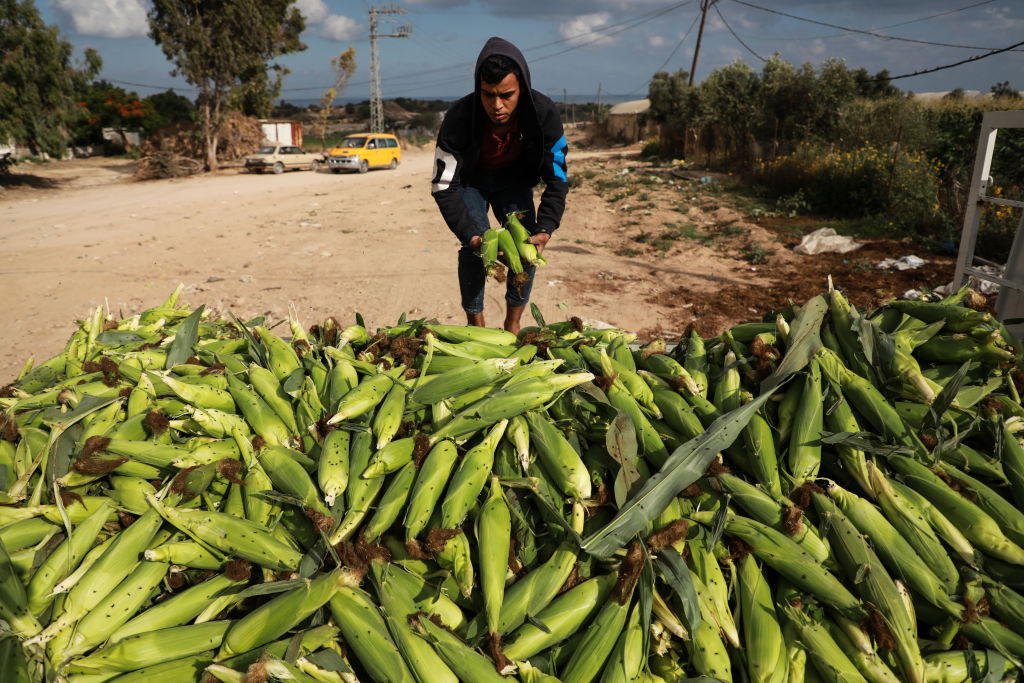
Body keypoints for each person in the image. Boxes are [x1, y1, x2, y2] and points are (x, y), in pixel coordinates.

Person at [431, 36, 569, 334]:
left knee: (527, 248)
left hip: (514, 180)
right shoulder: (458, 118)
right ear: (478, 89)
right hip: (471, 182)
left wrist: (546, 227)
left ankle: (513, 323)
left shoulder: (544, 115)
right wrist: (472, 235)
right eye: (488, 95)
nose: (497, 105)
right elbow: (443, 186)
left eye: (507, 95)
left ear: (522, 87)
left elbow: (558, 179)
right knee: (474, 248)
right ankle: (476, 326)